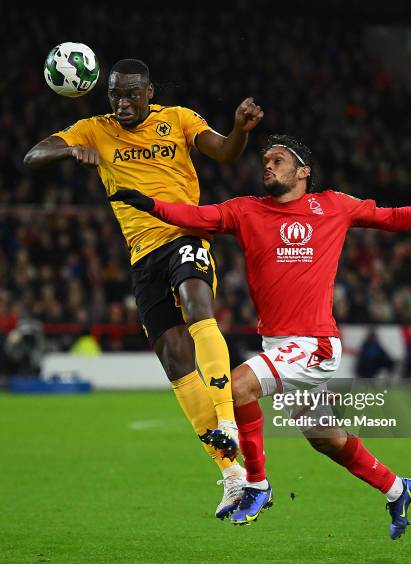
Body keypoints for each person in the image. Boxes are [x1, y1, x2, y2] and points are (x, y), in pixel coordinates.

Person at [110, 133, 411, 538]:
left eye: (278, 159)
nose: (267, 165)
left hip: (314, 343)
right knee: (324, 438)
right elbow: (196, 218)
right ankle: (397, 488)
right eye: (265, 160)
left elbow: (392, 218)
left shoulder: (333, 206)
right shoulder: (246, 211)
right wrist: (150, 206)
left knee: (237, 387)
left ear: (303, 171)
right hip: (278, 345)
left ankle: (256, 485)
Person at [24, 58, 264, 518]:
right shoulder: (94, 129)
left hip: (183, 235)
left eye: (132, 93)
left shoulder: (178, 119)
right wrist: (69, 150)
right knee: (175, 360)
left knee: (199, 309)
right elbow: (32, 157)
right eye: (116, 94)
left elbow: (226, 152)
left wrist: (239, 129)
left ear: (150, 92)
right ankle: (232, 475)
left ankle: (228, 419)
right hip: (141, 257)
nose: (123, 102)